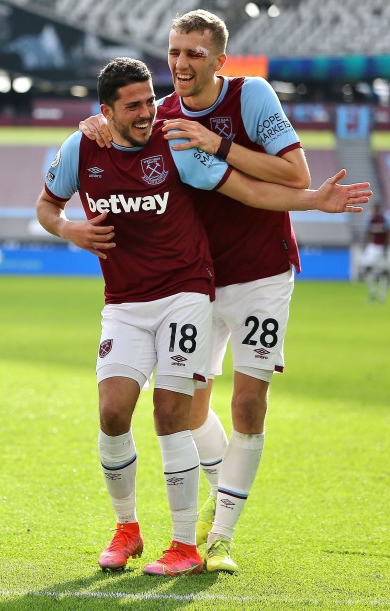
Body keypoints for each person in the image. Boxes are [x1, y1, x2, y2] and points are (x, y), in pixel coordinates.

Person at [38, 58, 368, 576]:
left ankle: (186, 545)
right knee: (111, 412)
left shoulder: (176, 144)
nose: (149, 111)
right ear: (106, 111)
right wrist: (68, 229)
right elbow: (47, 205)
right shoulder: (82, 147)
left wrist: (313, 202)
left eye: (151, 99)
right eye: (134, 106)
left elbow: (248, 190)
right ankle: (126, 528)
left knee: (171, 414)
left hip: (186, 293)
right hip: (123, 300)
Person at [78, 9, 316, 573]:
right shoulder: (156, 116)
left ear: (219, 60)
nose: (181, 65)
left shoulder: (250, 96)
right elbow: (115, 148)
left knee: (248, 401)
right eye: (175, 52)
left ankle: (221, 538)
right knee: (186, 412)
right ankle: (218, 488)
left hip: (262, 272)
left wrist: (217, 143)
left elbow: (295, 174)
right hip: (197, 280)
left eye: (194, 54)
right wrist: (96, 126)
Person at [361, 207, 388, 302]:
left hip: (381, 249)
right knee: (367, 269)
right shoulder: (372, 220)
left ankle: (382, 295)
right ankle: (372, 291)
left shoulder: (384, 220)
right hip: (372, 248)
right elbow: (368, 232)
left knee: (383, 273)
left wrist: (386, 247)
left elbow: (387, 233)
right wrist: (366, 245)